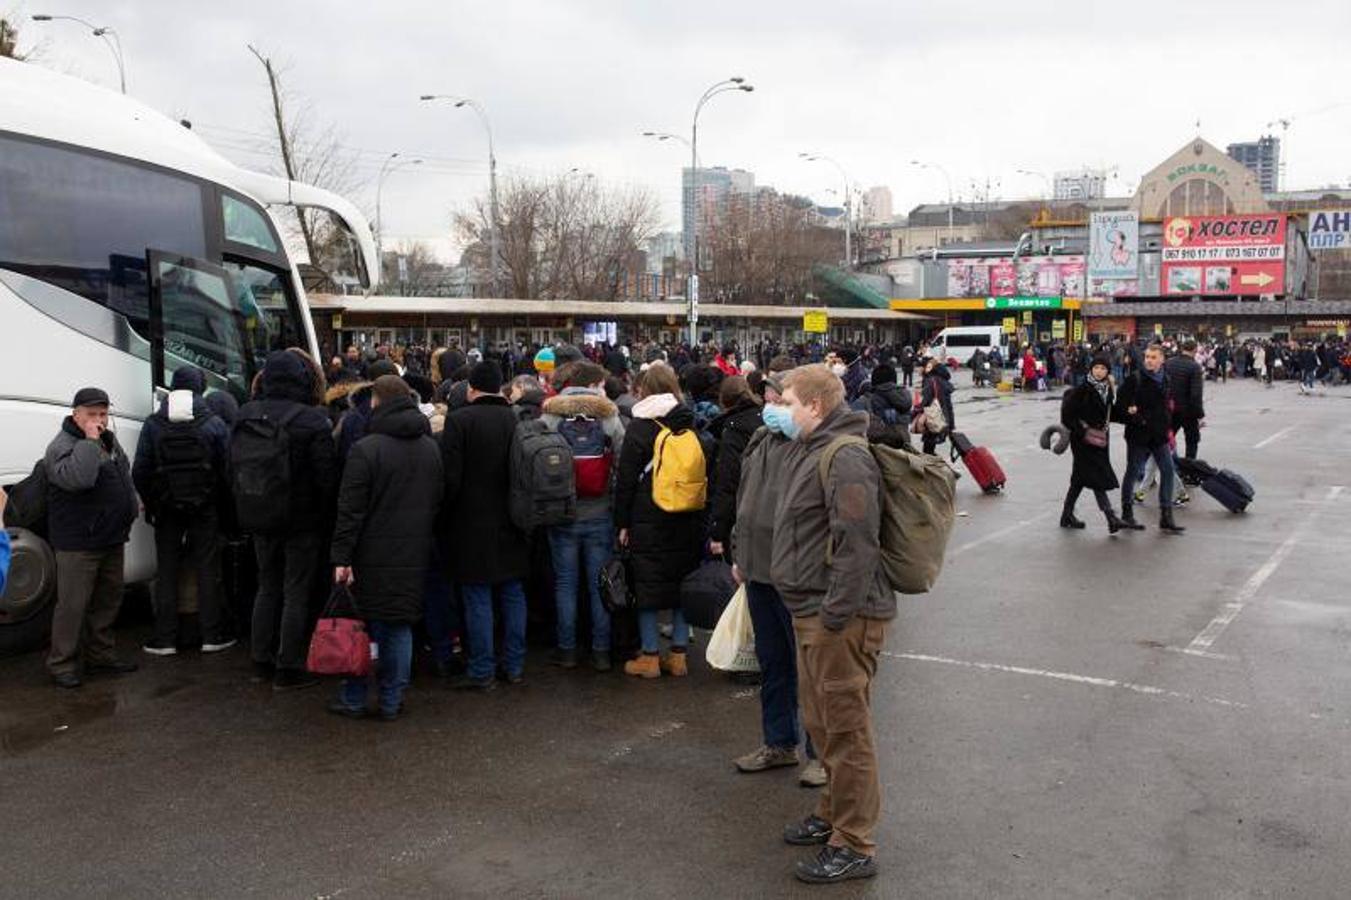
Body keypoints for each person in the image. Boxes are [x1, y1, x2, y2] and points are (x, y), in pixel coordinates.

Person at [772, 364, 890, 884]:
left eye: (790, 401)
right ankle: (832, 815)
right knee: (823, 726)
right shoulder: (814, 447)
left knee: (846, 732)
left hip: (838, 618)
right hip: (812, 612)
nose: (784, 409)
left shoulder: (845, 458)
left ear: (815, 406)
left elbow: (858, 545)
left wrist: (836, 617)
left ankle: (856, 843)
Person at [727, 371, 827, 787]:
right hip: (758, 571)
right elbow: (743, 501)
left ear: (810, 406)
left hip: (798, 578)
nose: (772, 405)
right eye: (771, 397)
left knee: (811, 671)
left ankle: (821, 753)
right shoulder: (761, 441)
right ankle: (779, 743)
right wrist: (739, 553)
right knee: (774, 664)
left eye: (784, 400)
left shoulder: (818, 449)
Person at [329, 376, 443, 720]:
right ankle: (393, 699)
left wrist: (341, 557)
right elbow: (438, 499)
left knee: (360, 625)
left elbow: (349, 510)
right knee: (399, 624)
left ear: (376, 402)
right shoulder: (430, 447)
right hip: (415, 550)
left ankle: (354, 697)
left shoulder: (366, 449)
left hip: (369, 552)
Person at [238, 350, 339, 691]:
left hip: (259, 516)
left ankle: (260, 660)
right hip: (303, 522)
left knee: (267, 587)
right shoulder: (313, 420)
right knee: (296, 592)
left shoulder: (246, 414)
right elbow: (326, 479)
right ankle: (289, 666)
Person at [441, 361, 532, 690]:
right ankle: (515, 664)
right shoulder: (516, 419)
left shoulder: (460, 420)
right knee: (512, 592)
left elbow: (449, 478)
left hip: (470, 522)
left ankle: (482, 670)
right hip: (513, 518)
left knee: (477, 595)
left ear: (471, 389)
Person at [132, 366, 233, 656]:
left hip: (166, 509)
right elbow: (227, 471)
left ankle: (165, 639)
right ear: (201, 390)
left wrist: (154, 502)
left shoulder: (153, 423)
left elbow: (140, 470)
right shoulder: (213, 423)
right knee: (207, 569)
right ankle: (211, 635)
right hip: (205, 508)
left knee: (166, 570)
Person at [44, 387, 141, 688]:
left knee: (107, 600)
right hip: (79, 541)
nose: (98, 420)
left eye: (102, 414)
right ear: (76, 414)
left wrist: (132, 499)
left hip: (110, 536)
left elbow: (123, 471)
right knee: (73, 605)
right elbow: (79, 479)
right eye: (91, 414)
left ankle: (100, 656)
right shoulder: (63, 445)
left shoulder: (106, 439)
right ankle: (62, 664)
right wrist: (88, 441)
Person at [614, 364, 706, 678]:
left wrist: (622, 523)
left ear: (645, 391)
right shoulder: (689, 424)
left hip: (647, 516)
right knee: (682, 585)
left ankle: (650, 657)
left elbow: (625, 480)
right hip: (687, 516)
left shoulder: (639, 428)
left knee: (647, 587)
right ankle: (679, 656)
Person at [538, 362, 626, 672]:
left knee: (565, 584)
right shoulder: (608, 416)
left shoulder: (550, 415)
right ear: (592, 385)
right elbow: (623, 460)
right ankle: (601, 651)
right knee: (598, 583)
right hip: (600, 511)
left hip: (562, 511)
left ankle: (567, 650)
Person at [1115, 344, 1183, 535]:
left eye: (1153, 357)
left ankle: (1166, 516)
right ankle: (1127, 513)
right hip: (1139, 435)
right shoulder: (1134, 379)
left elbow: (1166, 406)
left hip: (1159, 435)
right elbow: (1120, 406)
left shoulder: (1166, 379)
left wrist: (1168, 427)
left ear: (1162, 359)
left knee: (1168, 471)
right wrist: (1136, 417)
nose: (1149, 360)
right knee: (1133, 471)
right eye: (1147, 357)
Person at [1059, 356, 1124, 532]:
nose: (1099, 371)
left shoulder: (1108, 390)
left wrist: (1131, 416)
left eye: (1103, 368)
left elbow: (1112, 413)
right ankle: (1111, 517)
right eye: (1096, 368)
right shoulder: (1082, 390)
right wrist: (1081, 431)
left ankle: (1066, 515)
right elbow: (1067, 415)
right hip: (1083, 442)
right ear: (1091, 369)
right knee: (1096, 477)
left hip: (1100, 440)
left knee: (1079, 479)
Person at [706, 376, 763, 560]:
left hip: (740, 514)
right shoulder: (762, 418)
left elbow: (727, 481)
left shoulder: (732, 430)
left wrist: (717, 530)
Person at [1164, 340, 1205, 462]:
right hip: (1188, 411)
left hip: (1170, 408)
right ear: (1194, 350)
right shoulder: (1195, 367)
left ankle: (1158, 465)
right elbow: (1196, 394)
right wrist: (1200, 414)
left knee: (1165, 438)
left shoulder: (1169, 363)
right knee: (1192, 440)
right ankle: (1189, 467)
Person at [919, 357, 955, 456]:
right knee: (931, 445)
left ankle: (929, 465)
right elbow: (949, 406)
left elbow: (926, 400)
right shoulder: (944, 382)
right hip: (942, 417)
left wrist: (918, 411)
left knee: (928, 447)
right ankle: (931, 463)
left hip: (932, 416)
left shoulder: (931, 381)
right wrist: (951, 423)